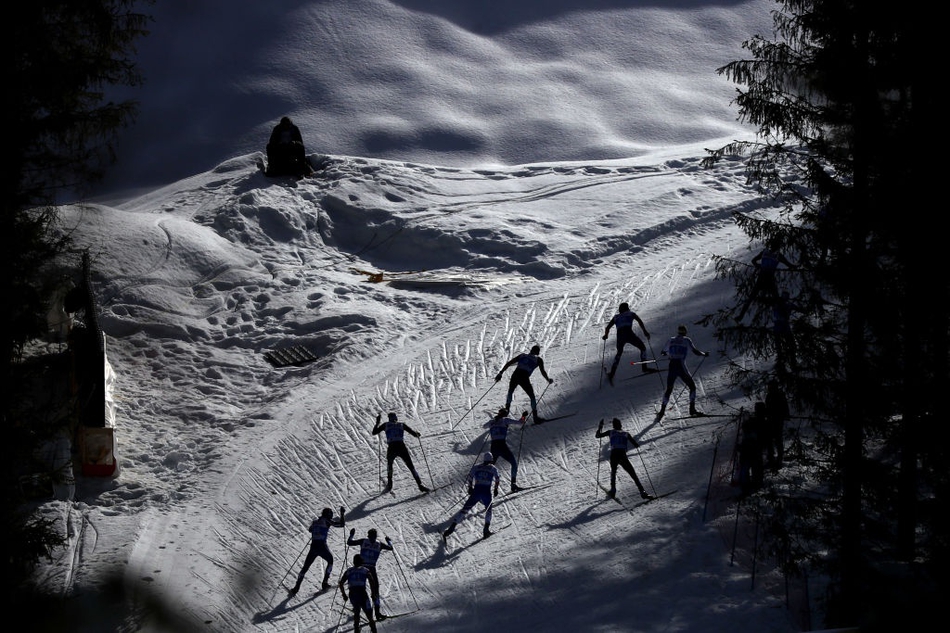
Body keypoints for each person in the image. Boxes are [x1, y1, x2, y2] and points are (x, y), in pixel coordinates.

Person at [442, 451, 501, 541]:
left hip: (476, 492)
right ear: (491, 460)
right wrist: (496, 489)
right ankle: (486, 529)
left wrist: (470, 487)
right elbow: (497, 479)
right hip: (486, 492)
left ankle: (452, 527)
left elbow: (470, 477)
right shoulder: (493, 468)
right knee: (488, 510)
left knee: (465, 510)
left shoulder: (476, 467)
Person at [289, 506, 345, 595]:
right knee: (330, 561)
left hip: (313, 547)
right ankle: (325, 583)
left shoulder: (315, 522)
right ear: (328, 515)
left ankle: (296, 587)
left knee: (305, 567)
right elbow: (341, 525)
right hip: (322, 546)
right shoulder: (327, 520)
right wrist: (342, 514)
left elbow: (310, 529)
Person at [656, 325, 709, 419]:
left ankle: (662, 411)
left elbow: (663, 352)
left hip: (672, 365)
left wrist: (668, 353)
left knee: (669, 389)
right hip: (680, 365)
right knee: (692, 387)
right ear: (685, 332)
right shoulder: (686, 340)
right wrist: (704, 354)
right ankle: (692, 409)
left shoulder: (671, 340)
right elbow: (695, 351)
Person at [736, 243, 796, 321]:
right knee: (776, 299)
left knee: (751, 297)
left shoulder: (765, 252)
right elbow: (789, 265)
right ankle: (783, 317)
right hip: (770, 279)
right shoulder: (778, 255)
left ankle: (740, 316)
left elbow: (753, 261)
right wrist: (797, 267)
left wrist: (758, 266)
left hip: (761, 278)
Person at [595, 418, 652, 500]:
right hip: (622, 455)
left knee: (613, 472)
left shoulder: (610, 432)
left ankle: (613, 490)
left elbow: (598, 436)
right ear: (620, 425)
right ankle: (642, 491)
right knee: (632, 473)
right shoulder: (626, 433)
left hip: (614, 455)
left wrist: (600, 427)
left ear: (614, 426)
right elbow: (635, 444)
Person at [372, 412, 429, 493]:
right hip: (401, 447)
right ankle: (420, 484)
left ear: (389, 418)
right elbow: (415, 434)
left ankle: (390, 484)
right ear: (396, 418)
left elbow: (374, 432)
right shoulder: (401, 425)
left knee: (390, 465)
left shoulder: (386, 425)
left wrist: (377, 422)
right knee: (411, 466)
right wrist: (417, 434)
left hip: (392, 448)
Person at [495, 345, 554, 422]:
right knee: (532, 397)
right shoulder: (538, 360)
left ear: (531, 350)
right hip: (524, 377)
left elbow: (509, 363)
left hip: (515, 375)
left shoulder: (522, 355)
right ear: (538, 353)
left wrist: (500, 373)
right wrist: (548, 379)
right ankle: (535, 417)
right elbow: (542, 371)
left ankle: (506, 411)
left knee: (510, 391)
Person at [346, 528, 394, 620]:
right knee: (372, 589)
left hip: (363, 568)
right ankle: (376, 612)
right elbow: (391, 548)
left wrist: (351, 534)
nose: (372, 538)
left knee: (363, 588)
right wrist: (389, 541)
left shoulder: (364, 541)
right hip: (369, 568)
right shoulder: (379, 544)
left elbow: (349, 542)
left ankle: (361, 607)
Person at [602, 301, 654, 385]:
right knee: (642, 348)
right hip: (629, 334)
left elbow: (607, 327)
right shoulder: (631, 314)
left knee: (619, 353)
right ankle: (645, 368)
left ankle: (612, 373)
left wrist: (606, 335)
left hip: (620, 336)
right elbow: (639, 321)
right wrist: (645, 332)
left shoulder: (616, 317)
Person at [484, 407, 528, 492]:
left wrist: (493, 424)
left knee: (489, 468)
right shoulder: (505, 420)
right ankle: (513, 484)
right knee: (514, 463)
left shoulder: (492, 422)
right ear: (505, 414)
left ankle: (482, 486)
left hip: (494, 446)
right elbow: (520, 422)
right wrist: (523, 416)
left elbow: (484, 426)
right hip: (502, 445)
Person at [338, 554, 379, 633]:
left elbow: (341, 583)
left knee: (357, 612)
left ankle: (356, 629)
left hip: (353, 595)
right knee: (369, 614)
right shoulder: (365, 570)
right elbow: (372, 582)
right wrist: (373, 594)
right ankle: (374, 630)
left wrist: (344, 595)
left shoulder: (349, 571)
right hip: (362, 594)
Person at [736, 402, 767, 494]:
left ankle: (746, 485)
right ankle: (754, 485)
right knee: (755, 467)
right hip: (754, 449)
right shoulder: (763, 422)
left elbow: (744, 429)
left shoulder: (752, 421)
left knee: (747, 467)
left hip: (747, 448)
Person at [764, 379, 790, 470]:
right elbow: (767, 407)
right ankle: (771, 459)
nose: (769, 388)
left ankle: (779, 460)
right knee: (770, 441)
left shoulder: (779, 395)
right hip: (770, 421)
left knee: (778, 441)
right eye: (768, 386)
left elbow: (785, 407)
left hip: (778, 421)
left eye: (770, 386)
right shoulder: (769, 395)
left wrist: (785, 416)